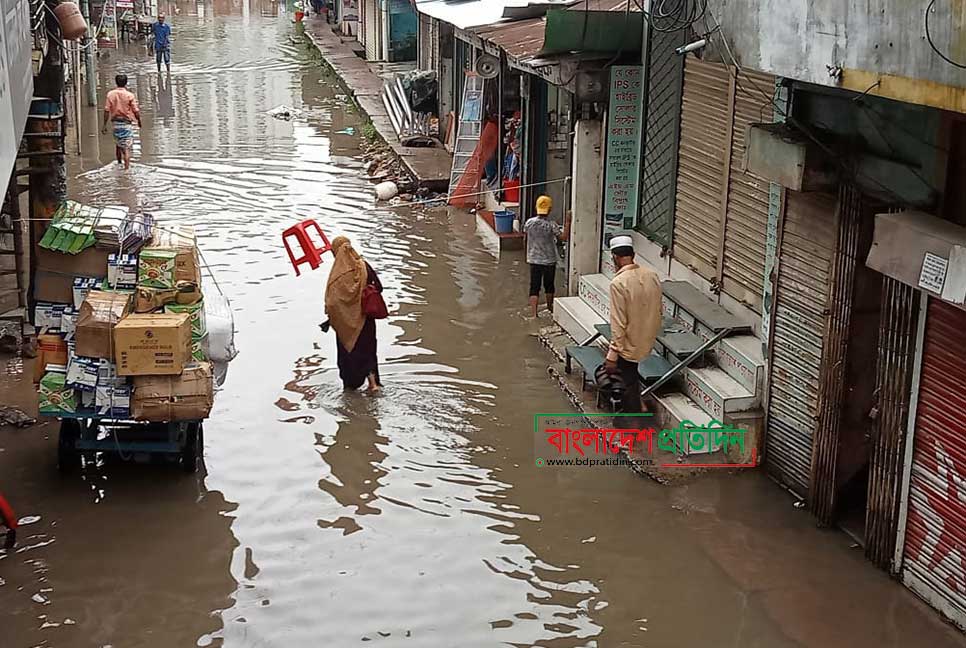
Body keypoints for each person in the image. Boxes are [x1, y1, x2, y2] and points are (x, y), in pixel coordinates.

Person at [603, 235, 663, 425]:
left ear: (614, 258)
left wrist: (612, 354)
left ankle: (634, 425)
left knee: (625, 382)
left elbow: (619, 323)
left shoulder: (618, 284)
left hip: (628, 343)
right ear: (633, 255)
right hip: (647, 339)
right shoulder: (652, 275)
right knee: (631, 377)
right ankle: (641, 408)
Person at [323, 236, 384, 392]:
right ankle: (373, 384)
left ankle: (350, 388)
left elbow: (332, 302)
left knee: (349, 356)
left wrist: (340, 313)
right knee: (368, 350)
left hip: (345, 325)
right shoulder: (363, 266)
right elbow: (379, 287)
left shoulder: (337, 276)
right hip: (366, 320)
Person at [523, 195, 571, 318]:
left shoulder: (529, 223)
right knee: (549, 285)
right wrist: (568, 222)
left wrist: (529, 252)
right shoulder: (551, 225)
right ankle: (550, 307)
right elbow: (563, 238)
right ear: (549, 210)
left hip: (534, 259)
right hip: (549, 261)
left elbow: (525, 238)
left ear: (536, 208)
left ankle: (534, 314)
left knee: (534, 286)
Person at [101, 74, 142, 170]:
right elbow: (136, 111)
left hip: (115, 124)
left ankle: (119, 163)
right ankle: (126, 170)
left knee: (118, 144)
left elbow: (107, 110)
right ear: (126, 83)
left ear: (116, 82)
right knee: (126, 148)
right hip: (126, 124)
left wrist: (104, 125)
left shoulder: (110, 94)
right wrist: (139, 121)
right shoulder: (129, 95)